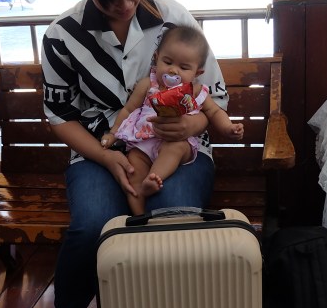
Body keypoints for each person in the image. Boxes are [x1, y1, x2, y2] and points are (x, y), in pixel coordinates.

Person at [42, 0, 229, 308]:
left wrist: (192, 122)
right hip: (99, 149)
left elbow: (215, 98)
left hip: (178, 146)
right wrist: (107, 156)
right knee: (91, 227)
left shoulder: (175, 19)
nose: (124, 4)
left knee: (174, 219)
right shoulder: (62, 36)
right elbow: (59, 116)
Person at [100, 24, 243, 214]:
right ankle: (140, 219)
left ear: (197, 73)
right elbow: (128, 109)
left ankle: (154, 177)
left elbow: (214, 112)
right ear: (156, 57)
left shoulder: (196, 91)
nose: (173, 71)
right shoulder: (148, 85)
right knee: (133, 169)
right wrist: (113, 133)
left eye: (184, 67)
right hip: (143, 143)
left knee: (175, 148)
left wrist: (228, 128)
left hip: (176, 142)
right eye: (167, 62)